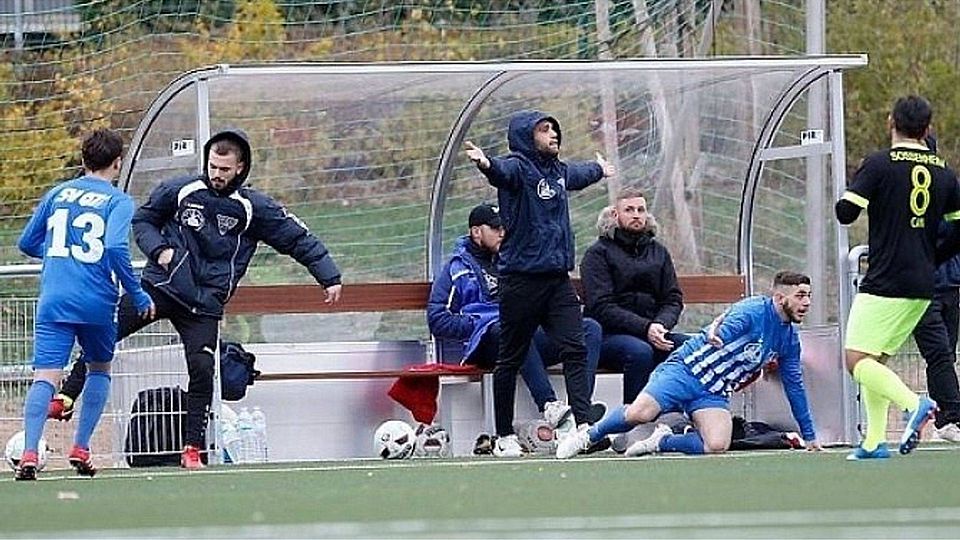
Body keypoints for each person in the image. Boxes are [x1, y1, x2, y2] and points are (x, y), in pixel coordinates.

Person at [47, 129, 343, 469]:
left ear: (240, 167)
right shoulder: (181, 190)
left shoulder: (253, 207)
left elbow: (298, 238)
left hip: (203, 304)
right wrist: (160, 250)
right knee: (105, 331)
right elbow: (144, 220)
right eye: (212, 166)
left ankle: (192, 449)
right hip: (161, 287)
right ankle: (67, 395)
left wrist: (329, 276)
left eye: (224, 169)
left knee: (202, 371)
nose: (216, 174)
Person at [464, 110, 615, 457]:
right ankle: (504, 435)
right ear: (526, 136)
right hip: (521, 281)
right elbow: (501, 172)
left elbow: (578, 174)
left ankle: (582, 427)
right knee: (510, 357)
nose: (553, 134)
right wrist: (486, 164)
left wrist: (599, 170)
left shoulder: (558, 171)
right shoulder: (518, 168)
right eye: (544, 130)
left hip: (557, 280)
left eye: (553, 129)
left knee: (575, 347)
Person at [557, 271, 821, 459]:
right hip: (685, 370)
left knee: (717, 446)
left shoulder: (789, 340)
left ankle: (662, 441)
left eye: (808, 296)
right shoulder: (754, 310)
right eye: (800, 296)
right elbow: (728, 324)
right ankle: (588, 436)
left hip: (713, 392)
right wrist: (717, 333)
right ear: (779, 298)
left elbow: (794, 386)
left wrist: (809, 435)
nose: (806, 303)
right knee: (640, 414)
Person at [15, 129, 155, 480]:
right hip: (96, 301)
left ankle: (29, 452)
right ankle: (80, 447)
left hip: (54, 298)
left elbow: (26, 242)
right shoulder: (118, 201)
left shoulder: (58, 193)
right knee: (99, 369)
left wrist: (60, 255)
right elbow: (115, 247)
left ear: (82, 160)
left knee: (45, 377)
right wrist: (137, 293)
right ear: (118, 163)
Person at [835, 96, 960, 460]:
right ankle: (874, 442)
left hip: (885, 279)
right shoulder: (944, 171)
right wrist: (932, 258)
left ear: (891, 121)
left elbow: (846, 213)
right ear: (928, 128)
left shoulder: (879, 163)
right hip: (924, 283)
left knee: (856, 361)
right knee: (875, 360)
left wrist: (858, 188)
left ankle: (914, 404)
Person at [427, 203, 603, 447]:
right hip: (486, 341)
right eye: (495, 228)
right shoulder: (456, 268)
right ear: (476, 232)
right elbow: (437, 318)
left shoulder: (517, 262)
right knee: (511, 330)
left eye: (505, 228)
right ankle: (549, 405)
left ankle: (580, 415)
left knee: (589, 328)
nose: (503, 233)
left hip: (521, 333)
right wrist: (478, 323)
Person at [580, 187, 688, 404]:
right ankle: (633, 417)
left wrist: (660, 325)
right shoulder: (598, 254)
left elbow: (673, 298)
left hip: (654, 332)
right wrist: (645, 328)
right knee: (640, 352)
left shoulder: (658, 252)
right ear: (615, 214)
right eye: (629, 210)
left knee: (691, 347)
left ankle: (684, 413)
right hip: (608, 337)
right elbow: (602, 306)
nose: (636, 215)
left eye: (641, 210)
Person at [910, 135, 960, 442]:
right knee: (939, 352)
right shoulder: (904, 191)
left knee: (944, 355)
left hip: (950, 284)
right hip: (919, 289)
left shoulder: (947, 184)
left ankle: (943, 420)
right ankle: (950, 417)